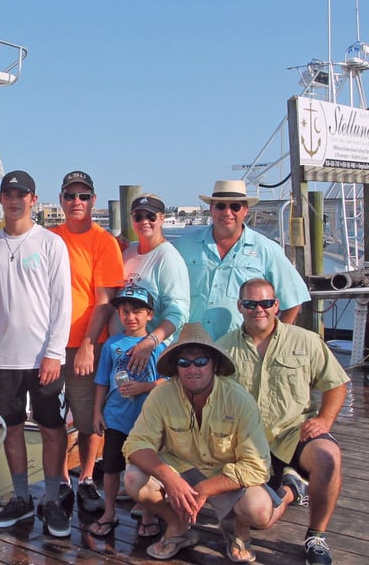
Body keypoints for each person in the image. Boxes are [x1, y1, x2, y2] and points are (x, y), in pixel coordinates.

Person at [123, 323, 283, 562]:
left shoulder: (239, 400)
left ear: (214, 365)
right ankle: (177, 523)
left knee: (259, 511)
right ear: (176, 367)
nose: (192, 369)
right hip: (180, 468)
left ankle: (238, 527)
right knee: (133, 479)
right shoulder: (161, 394)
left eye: (201, 361)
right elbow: (135, 444)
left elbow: (257, 466)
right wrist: (170, 478)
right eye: (184, 362)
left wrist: (204, 490)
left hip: (223, 474)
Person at [218, 278, 349, 565]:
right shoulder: (223, 348)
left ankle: (317, 536)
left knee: (329, 457)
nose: (259, 309)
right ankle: (292, 489)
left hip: (295, 433)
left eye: (266, 303)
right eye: (251, 304)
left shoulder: (306, 340)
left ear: (276, 305)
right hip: (247, 447)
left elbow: (336, 385)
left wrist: (325, 419)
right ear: (240, 306)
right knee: (257, 519)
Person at [0, 170, 74, 537]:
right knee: (12, 428)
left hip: (42, 359)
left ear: (34, 199)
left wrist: (54, 352)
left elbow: (63, 301)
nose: (15, 200)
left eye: (22, 194)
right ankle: (20, 499)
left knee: (52, 428)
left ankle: (51, 499)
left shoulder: (50, 244)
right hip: (2, 359)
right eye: (8, 194)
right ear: (0, 199)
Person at [50, 170, 123, 512]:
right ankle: (62, 480)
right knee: (51, 417)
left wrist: (88, 344)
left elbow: (105, 301)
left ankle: (87, 478)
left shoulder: (104, 242)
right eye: (70, 196)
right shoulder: (48, 238)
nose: (76, 202)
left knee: (87, 419)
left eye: (83, 196)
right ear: (61, 200)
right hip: (48, 346)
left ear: (93, 200)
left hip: (84, 345)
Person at [172, 180, 310, 341]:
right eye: (220, 206)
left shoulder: (267, 249)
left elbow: (294, 299)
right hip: (189, 350)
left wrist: (274, 341)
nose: (227, 212)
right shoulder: (182, 245)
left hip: (241, 350)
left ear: (245, 210)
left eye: (235, 207)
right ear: (211, 209)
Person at [90, 285, 164, 539]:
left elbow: (168, 382)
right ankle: (109, 511)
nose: (130, 317)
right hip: (116, 418)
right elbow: (102, 380)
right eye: (124, 312)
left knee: (145, 468)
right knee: (110, 468)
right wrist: (97, 412)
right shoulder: (112, 345)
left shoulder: (159, 346)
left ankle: (147, 512)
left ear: (150, 315)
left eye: (137, 312)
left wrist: (144, 387)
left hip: (147, 423)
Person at [118, 193, 189, 368]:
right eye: (138, 216)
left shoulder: (168, 257)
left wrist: (150, 342)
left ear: (162, 218)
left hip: (153, 354)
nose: (144, 221)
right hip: (123, 349)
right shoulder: (128, 251)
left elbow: (178, 312)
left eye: (151, 216)